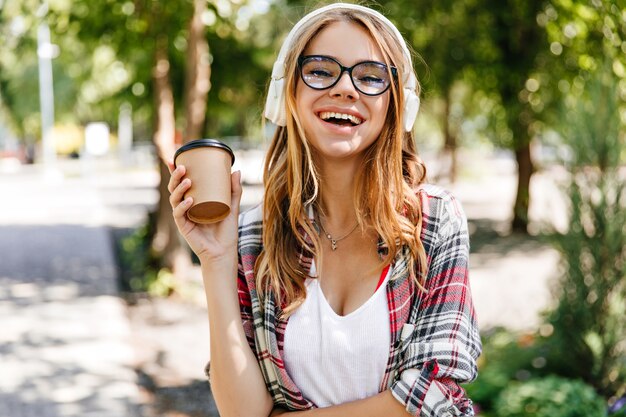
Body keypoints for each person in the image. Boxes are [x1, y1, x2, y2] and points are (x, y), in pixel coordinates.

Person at [168, 3, 481, 416]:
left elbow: (432, 396)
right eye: (320, 70)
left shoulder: (435, 221)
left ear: (396, 105)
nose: (346, 89)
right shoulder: (253, 237)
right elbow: (242, 411)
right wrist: (216, 259)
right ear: (289, 95)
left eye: (370, 77)